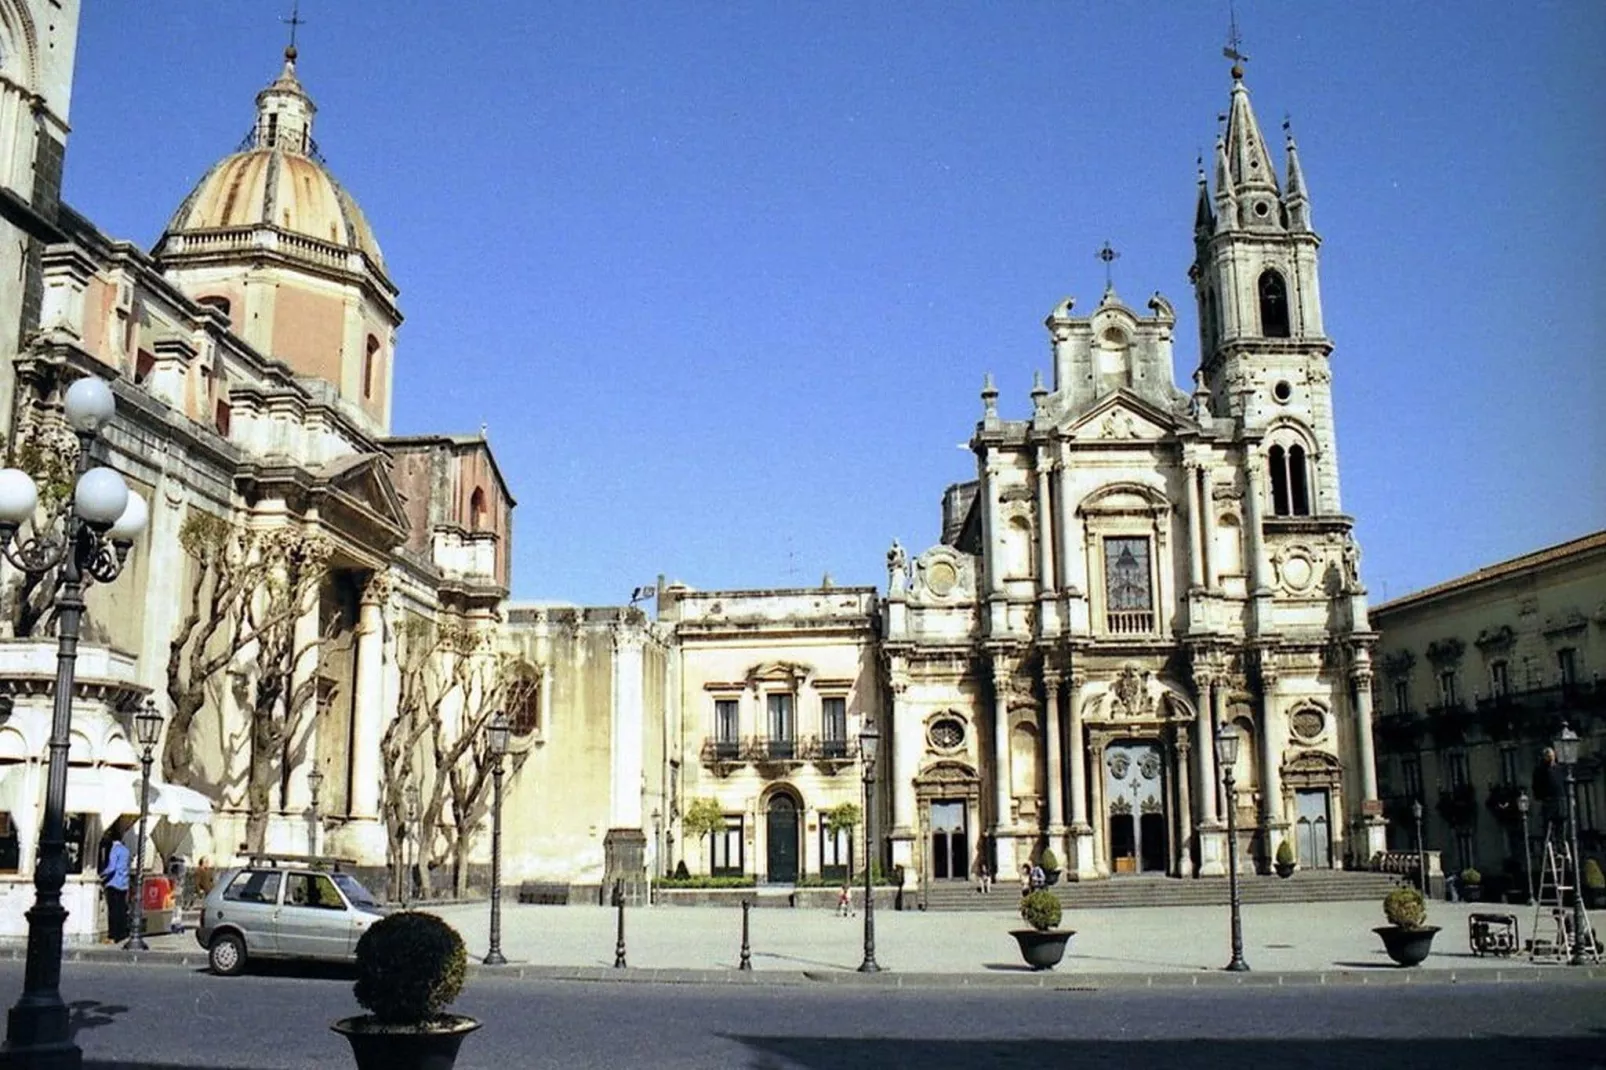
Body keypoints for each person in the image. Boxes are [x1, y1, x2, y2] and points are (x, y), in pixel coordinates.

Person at [99, 821, 130, 944]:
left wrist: (102, 875)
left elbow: (112, 868)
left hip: (114, 883)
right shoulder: (125, 850)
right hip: (124, 883)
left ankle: (113, 936)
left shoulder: (114, 849)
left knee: (113, 911)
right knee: (121, 910)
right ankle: (121, 933)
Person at [1532, 746, 1568, 836]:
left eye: (1552, 756)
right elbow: (1536, 786)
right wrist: (1540, 798)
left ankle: (1561, 842)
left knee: (1561, 825)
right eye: (1548, 756)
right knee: (1548, 827)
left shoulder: (1560, 769)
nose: (1551, 758)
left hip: (1560, 800)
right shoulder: (1539, 770)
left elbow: (1564, 783)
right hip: (1548, 800)